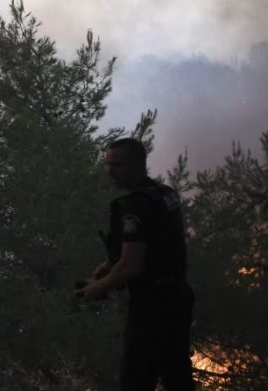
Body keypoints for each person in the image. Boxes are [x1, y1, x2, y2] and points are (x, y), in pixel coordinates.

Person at [76, 137, 197, 390]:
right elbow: (156, 242)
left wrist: (96, 289)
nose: (110, 172)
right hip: (177, 297)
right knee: (177, 375)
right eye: (107, 164)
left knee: (136, 380)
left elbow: (131, 266)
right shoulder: (165, 195)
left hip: (152, 307)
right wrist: (109, 266)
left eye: (117, 165)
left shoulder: (135, 205)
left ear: (137, 165)